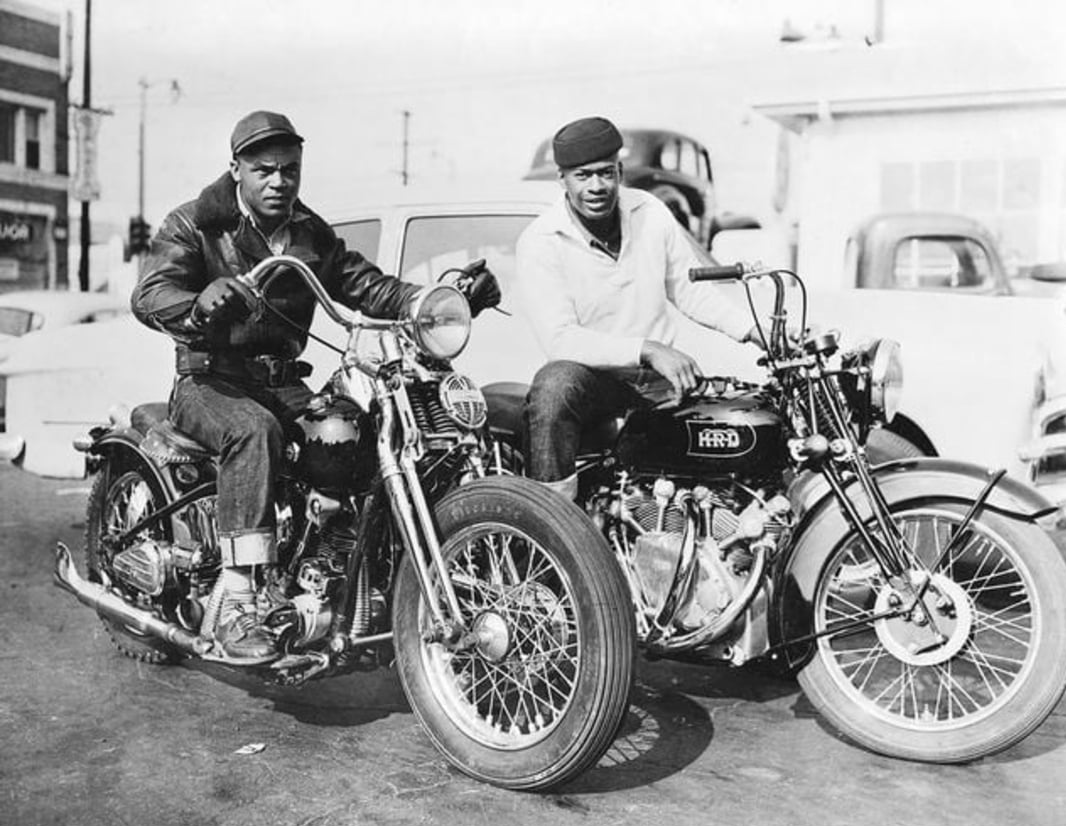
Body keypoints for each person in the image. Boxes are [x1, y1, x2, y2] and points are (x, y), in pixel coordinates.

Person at [131, 110, 499, 663]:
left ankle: (331, 569)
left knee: (348, 434)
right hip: (208, 380)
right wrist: (197, 305)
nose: (279, 181)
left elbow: (365, 284)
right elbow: (150, 293)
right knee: (253, 431)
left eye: (289, 170)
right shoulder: (195, 223)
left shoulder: (309, 232)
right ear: (236, 169)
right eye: (264, 170)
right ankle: (237, 601)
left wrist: (429, 302)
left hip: (282, 382)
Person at [515, 116, 757, 501]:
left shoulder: (650, 211)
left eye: (605, 173)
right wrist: (648, 349)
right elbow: (561, 339)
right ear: (562, 179)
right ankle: (553, 522)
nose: (596, 186)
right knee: (554, 385)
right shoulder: (541, 241)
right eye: (582, 176)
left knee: (741, 420)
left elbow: (689, 290)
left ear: (620, 171)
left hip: (659, 381)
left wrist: (754, 331)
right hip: (596, 381)